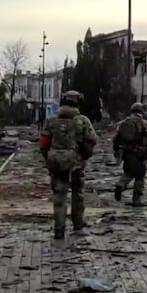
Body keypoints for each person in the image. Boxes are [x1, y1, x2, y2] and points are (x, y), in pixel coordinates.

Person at [39, 90, 98, 239]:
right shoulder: (82, 120)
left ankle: (59, 230)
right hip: (75, 163)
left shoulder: (51, 121)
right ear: (77, 103)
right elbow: (92, 140)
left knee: (59, 196)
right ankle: (78, 224)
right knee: (77, 194)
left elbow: (43, 143)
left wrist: (49, 157)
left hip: (56, 163)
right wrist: (84, 156)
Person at [113, 102, 147, 206]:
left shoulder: (124, 122)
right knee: (140, 176)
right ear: (141, 111)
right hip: (140, 153)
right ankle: (136, 200)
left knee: (128, 172)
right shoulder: (144, 123)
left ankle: (121, 184)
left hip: (127, 153)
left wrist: (117, 151)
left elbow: (116, 138)